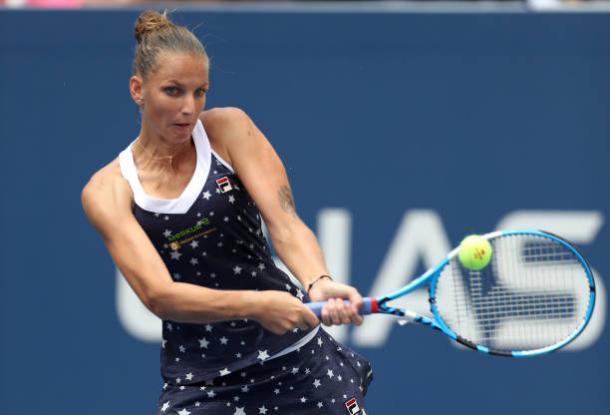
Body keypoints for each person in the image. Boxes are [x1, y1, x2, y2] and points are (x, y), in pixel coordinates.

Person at [81, 10, 373, 415]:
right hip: (202, 382)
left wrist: (318, 281)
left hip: (297, 362)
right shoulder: (107, 190)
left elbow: (285, 223)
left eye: (199, 92)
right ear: (137, 89)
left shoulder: (229, 130)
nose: (189, 108)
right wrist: (256, 305)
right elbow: (159, 295)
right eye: (173, 91)